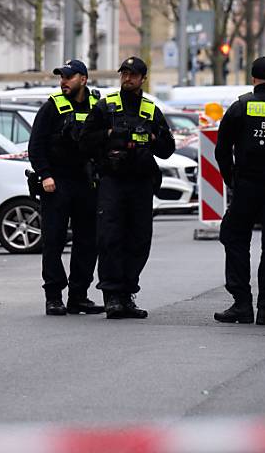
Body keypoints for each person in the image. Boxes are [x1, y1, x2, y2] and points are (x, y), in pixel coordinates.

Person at [79, 56, 175, 319]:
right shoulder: (106, 107)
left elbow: (168, 150)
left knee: (139, 239)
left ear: (143, 78)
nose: (128, 78)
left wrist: (153, 138)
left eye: (133, 75)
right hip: (112, 181)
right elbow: (84, 142)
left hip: (141, 183)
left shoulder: (150, 110)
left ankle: (127, 294)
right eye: (124, 74)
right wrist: (109, 136)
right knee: (110, 238)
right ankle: (111, 296)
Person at [213, 57, 265, 326]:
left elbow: (222, 149)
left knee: (235, 240)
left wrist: (230, 180)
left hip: (246, 185)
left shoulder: (240, 107)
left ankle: (242, 304)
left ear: (253, 78)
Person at [27, 59, 104, 316]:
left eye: (68, 77)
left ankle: (79, 296)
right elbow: (35, 147)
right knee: (53, 241)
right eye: (61, 77)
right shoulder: (52, 107)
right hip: (57, 184)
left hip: (87, 184)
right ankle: (54, 297)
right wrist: (45, 175)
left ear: (83, 79)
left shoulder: (97, 106)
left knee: (87, 242)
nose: (63, 82)